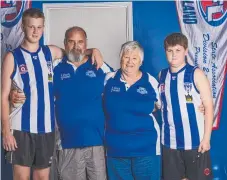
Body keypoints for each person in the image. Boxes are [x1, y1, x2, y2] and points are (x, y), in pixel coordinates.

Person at [1, 8, 102, 180]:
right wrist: (5, 132)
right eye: (31, 27)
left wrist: (93, 50)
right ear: (23, 28)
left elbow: (74, 52)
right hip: (21, 129)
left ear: (43, 28)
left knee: (43, 177)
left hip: (47, 130)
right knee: (21, 177)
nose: (35, 31)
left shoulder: (50, 52)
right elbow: (3, 96)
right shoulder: (12, 57)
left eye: (39, 27)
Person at [53, 26, 113, 180]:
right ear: (65, 43)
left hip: (97, 142)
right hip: (68, 142)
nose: (76, 46)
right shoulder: (55, 68)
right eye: (71, 42)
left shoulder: (99, 66)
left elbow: (122, 85)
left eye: (80, 42)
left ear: (86, 44)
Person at [159, 33, 213, 180]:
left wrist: (206, 139)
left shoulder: (196, 74)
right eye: (170, 51)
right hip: (170, 142)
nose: (173, 55)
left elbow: (208, 107)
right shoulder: (162, 75)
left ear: (185, 51)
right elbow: (160, 104)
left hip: (195, 142)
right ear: (165, 52)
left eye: (177, 50)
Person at [103, 41, 161, 180]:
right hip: (116, 150)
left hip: (146, 149)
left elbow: (165, 106)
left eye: (134, 58)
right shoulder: (109, 79)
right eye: (126, 57)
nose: (130, 62)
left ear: (141, 61)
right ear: (120, 58)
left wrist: (200, 106)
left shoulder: (151, 82)